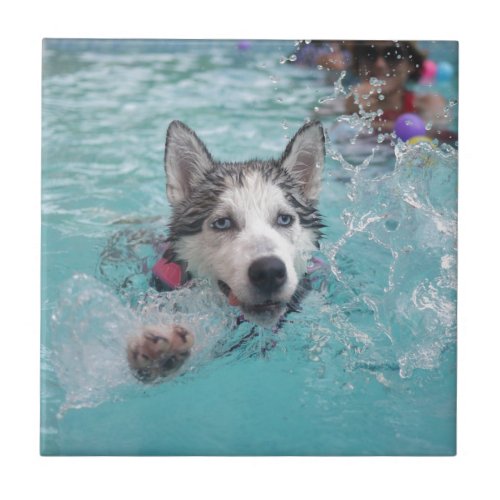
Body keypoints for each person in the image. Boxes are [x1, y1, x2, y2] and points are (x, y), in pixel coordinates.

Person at [345, 41, 452, 138]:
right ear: (358, 63)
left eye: (393, 54)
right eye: (369, 53)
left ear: (411, 64)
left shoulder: (427, 103)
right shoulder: (343, 105)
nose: (380, 64)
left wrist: (357, 124)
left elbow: (438, 134)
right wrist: (351, 113)